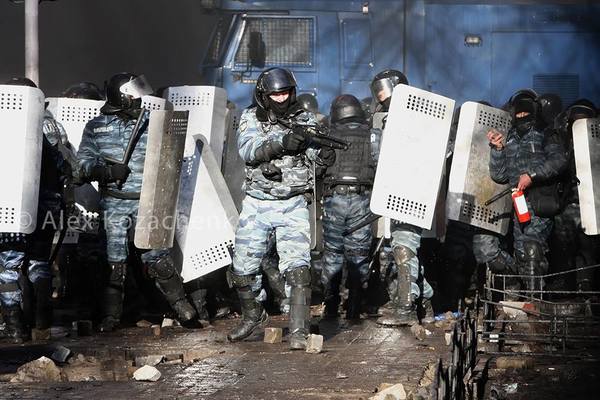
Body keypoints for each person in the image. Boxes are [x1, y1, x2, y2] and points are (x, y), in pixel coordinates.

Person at [77, 72, 196, 332]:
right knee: (114, 260)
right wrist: (106, 172)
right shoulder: (96, 127)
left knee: (157, 257)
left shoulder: (153, 122)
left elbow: (174, 156)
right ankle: (111, 317)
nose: (140, 100)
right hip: (114, 203)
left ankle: (182, 307)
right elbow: (82, 165)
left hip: (149, 201)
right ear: (122, 97)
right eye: (134, 96)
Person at [227, 67, 335, 349]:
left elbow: (314, 155)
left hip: (292, 202)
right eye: (276, 94)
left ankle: (298, 331)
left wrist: (322, 155)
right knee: (242, 269)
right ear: (264, 95)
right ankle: (253, 315)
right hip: (257, 203)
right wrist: (281, 143)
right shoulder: (251, 117)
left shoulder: (304, 118)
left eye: (286, 92)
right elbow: (248, 150)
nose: (282, 98)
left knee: (298, 269)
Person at [0, 77, 71, 342]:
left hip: (13, 205)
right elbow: (66, 165)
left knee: (8, 266)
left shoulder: (6, 120)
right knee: (39, 261)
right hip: (47, 204)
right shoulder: (51, 123)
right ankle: (42, 322)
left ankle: (15, 327)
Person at [369, 69, 435, 326]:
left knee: (403, 249)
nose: (382, 98)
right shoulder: (386, 120)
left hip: (413, 192)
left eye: (385, 93)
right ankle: (426, 304)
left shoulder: (422, 118)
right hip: (394, 193)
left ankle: (406, 309)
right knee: (404, 249)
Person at [487, 89, 567, 292]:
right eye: (519, 113)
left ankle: (535, 300)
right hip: (518, 205)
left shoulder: (546, 133)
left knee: (532, 249)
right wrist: (497, 150)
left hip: (540, 201)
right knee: (521, 253)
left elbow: (559, 161)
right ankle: (523, 294)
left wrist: (532, 175)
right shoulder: (510, 138)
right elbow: (499, 175)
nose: (522, 116)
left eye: (526, 112)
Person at [321, 94, 377, 319]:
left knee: (333, 253)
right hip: (362, 200)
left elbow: (318, 167)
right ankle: (354, 306)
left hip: (334, 200)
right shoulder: (373, 135)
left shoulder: (328, 135)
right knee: (359, 254)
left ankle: (330, 306)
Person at [550, 99, 598, 291]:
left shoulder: (596, 141)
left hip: (591, 202)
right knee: (564, 244)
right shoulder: (562, 141)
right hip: (568, 201)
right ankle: (566, 282)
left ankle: (585, 283)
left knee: (587, 246)